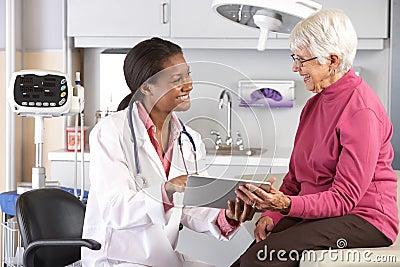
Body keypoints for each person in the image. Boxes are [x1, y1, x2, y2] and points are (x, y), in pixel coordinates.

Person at [232, 9, 399, 267]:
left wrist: (286, 205)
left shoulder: (361, 111)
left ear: (331, 60)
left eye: (301, 60)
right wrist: (273, 214)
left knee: (261, 259)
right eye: (294, 58)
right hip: (323, 213)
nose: (295, 67)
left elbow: (344, 198)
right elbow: (294, 179)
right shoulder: (313, 106)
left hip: (364, 218)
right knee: (247, 258)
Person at [81, 37, 256, 267]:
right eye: (177, 79)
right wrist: (168, 190)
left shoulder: (189, 140)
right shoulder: (111, 132)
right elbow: (116, 209)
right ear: (146, 87)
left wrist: (228, 216)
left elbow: (192, 208)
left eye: (188, 75)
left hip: (163, 258)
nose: (189, 84)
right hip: (117, 259)